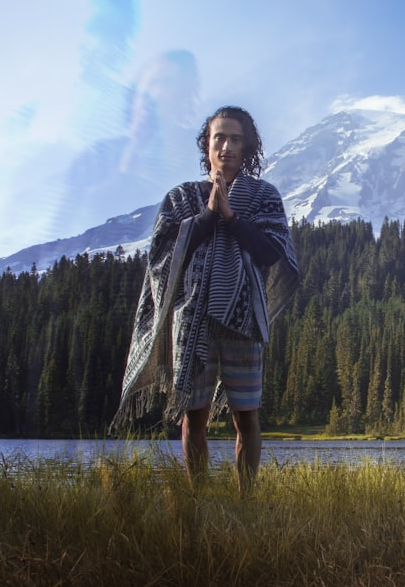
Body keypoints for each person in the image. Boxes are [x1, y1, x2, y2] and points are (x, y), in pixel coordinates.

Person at [114, 105, 300, 491]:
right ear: (207, 144)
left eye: (236, 138)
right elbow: (162, 259)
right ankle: (197, 497)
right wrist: (207, 215)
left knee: (246, 416)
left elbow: (271, 254)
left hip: (243, 321)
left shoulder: (264, 197)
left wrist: (231, 217)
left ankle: (245, 500)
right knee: (193, 417)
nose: (228, 146)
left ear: (247, 145)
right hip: (193, 321)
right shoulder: (181, 198)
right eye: (220, 138)